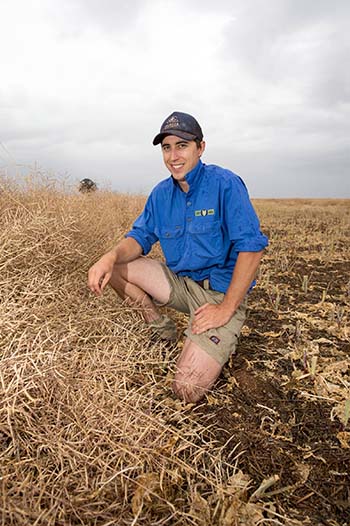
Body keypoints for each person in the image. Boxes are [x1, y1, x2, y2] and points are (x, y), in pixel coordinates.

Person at [88, 111, 268, 403]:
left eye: (182, 145)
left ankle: (220, 338)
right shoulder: (160, 195)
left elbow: (252, 248)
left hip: (219, 295)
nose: (173, 155)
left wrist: (224, 309)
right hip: (183, 285)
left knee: (186, 388)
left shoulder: (225, 184)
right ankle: (161, 329)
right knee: (118, 267)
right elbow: (139, 238)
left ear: (200, 147)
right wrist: (109, 257)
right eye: (166, 147)